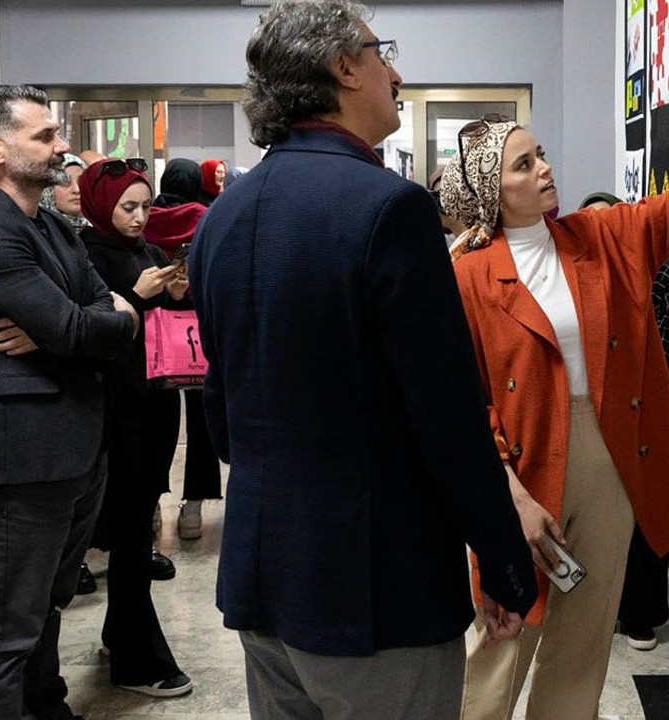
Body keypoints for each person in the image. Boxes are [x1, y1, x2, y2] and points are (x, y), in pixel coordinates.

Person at [188, 3, 536, 718]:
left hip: (263, 578)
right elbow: (446, 418)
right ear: (345, 68)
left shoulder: (223, 214)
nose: (397, 72)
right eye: (384, 55)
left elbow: (221, 414)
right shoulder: (390, 209)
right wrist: (503, 561)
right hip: (376, 591)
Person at [441, 71, 669, 719]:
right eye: (525, 165)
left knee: (584, 639)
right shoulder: (468, 275)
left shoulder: (597, 236)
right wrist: (512, 496)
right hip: (521, 469)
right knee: (506, 631)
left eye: (543, 155)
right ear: (493, 193)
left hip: (607, 456)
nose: (546, 169)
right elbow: (460, 401)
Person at [0, 84, 138, 720]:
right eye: (44, 136)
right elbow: (84, 325)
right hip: (24, 455)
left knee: (48, 602)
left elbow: (104, 311)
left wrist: (90, 320)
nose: (62, 146)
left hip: (80, 440)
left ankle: (47, 707)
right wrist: (85, 321)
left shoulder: (50, 223)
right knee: (6, 627)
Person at [78, 157, 193, 697]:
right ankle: (135, 653)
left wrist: (175, 293)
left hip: (157, 401)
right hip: (116, 407)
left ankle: (121, 633)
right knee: (127, 532)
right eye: (128, 206)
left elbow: (167, 323)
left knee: (137, 525)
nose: (140, 216)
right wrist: (141, 296)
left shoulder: (146, 253)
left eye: (146, 206)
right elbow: (87, 331)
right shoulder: (84, 256)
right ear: (103, 206)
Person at [579, 190, 669, 651]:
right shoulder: (571, 274)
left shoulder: (654, 272)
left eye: (611, 220)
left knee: (641, 516)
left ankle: (640, 616)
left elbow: (662, 349)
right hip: (589, 415)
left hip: (639, 416)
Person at [151, 157, 222, 540]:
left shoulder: (146, 217)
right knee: (201, 418)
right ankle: (192, 507)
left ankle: (151, 507)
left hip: (155, 327)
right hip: (197, 327)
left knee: (158, 420)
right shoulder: (203, 215)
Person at [39, 153, 88, 230]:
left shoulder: (101, 232)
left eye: (81, 182)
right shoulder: (36, 234)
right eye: (65, 182)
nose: (77, 190)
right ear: (47, 189)